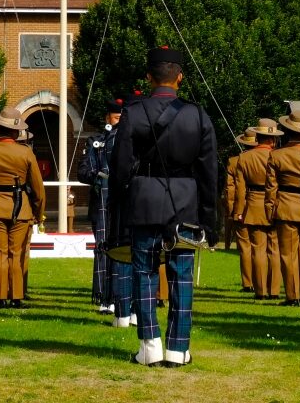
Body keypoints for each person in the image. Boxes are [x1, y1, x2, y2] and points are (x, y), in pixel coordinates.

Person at [110, 46, 218, 368]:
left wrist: (118, 205)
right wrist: (210, 222)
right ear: (180, 77)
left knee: (143, 272)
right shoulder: (198, 115)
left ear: (148, 76)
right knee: (180, 276)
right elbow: (210, 174)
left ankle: (150, 344)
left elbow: (120, 167)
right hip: (185, 204)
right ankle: (178, 348)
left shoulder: (134, 112)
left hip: (144, 200)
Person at [0, 107, 45, 309]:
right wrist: (38, 212)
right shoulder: (25, 153)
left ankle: (0, 298)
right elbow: (37, 187)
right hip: (22, 208)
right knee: (17, 253)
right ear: (16, 132)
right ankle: (16, 297)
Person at [79, 98, 122, 313]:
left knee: (122, 249)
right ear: (107, 118)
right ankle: (103, 296)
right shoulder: (95, 142)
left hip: (122, 203)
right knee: (103, 249)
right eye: (116, 118)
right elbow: (83, 172)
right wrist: (99, 176)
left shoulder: (126, 142)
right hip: (101, 204)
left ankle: (121, 296)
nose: (118, 123)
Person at [268, 110, 300, 305]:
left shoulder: (276, 155)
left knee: (287, 254)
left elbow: (271, 187)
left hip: (285, 206)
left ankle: (293, 295)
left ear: (287, 131)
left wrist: (270, 210)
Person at [234, 118, 282, 300]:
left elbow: (240, 189)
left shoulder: (244, 158)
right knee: (275, 249)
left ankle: (260, 291)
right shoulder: (278, 155)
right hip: (276, 204)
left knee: (258, 249)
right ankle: (275, 290)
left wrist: (239, 211)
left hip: (253, 205)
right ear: (272, 139)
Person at [225, 133, 255, 292]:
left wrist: (232, 212)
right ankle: (263, 283)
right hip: (263, 209)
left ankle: (248, 283)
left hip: (241, 208)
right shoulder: (270, 156)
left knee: (245, 247)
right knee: (263, 247)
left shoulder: (234, 161)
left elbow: (230, 190)